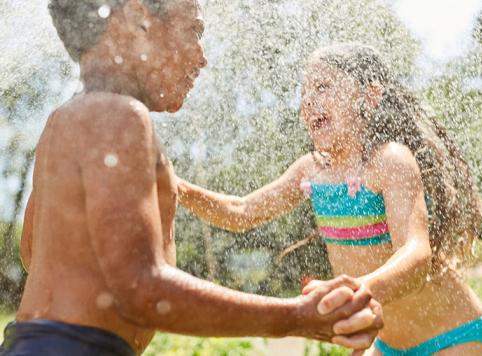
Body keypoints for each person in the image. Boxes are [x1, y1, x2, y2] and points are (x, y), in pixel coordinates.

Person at [0, 3, 383, 355]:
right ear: (138, 18)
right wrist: (296, 316)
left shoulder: (65, 120)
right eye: (194, 31)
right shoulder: (119, 115)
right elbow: (142, 288)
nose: (202, 58)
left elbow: (33, 250)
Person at [177, 43, 482, 355]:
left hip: (452, 337)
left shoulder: (389, 161)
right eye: (304, 94)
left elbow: (415, 254)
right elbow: (241, 211)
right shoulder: (310, 171)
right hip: (388, 345)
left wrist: (358, 291)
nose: (309, 102)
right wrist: (179, 189)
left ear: (369, 96)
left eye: (322, 87)